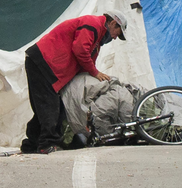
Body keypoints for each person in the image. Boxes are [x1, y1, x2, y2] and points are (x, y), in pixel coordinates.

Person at [21, 9, 128, 154]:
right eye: (117, 33)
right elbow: (80, 49)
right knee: (50, 105)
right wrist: (95, 73)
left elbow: (86, 62)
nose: (115, 38)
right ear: (113, 23)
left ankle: (31, 144)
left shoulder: (97, 40)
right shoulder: (93, 24)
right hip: (44, 62)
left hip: (50, 67)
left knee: (49, 107)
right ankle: (46, 144)